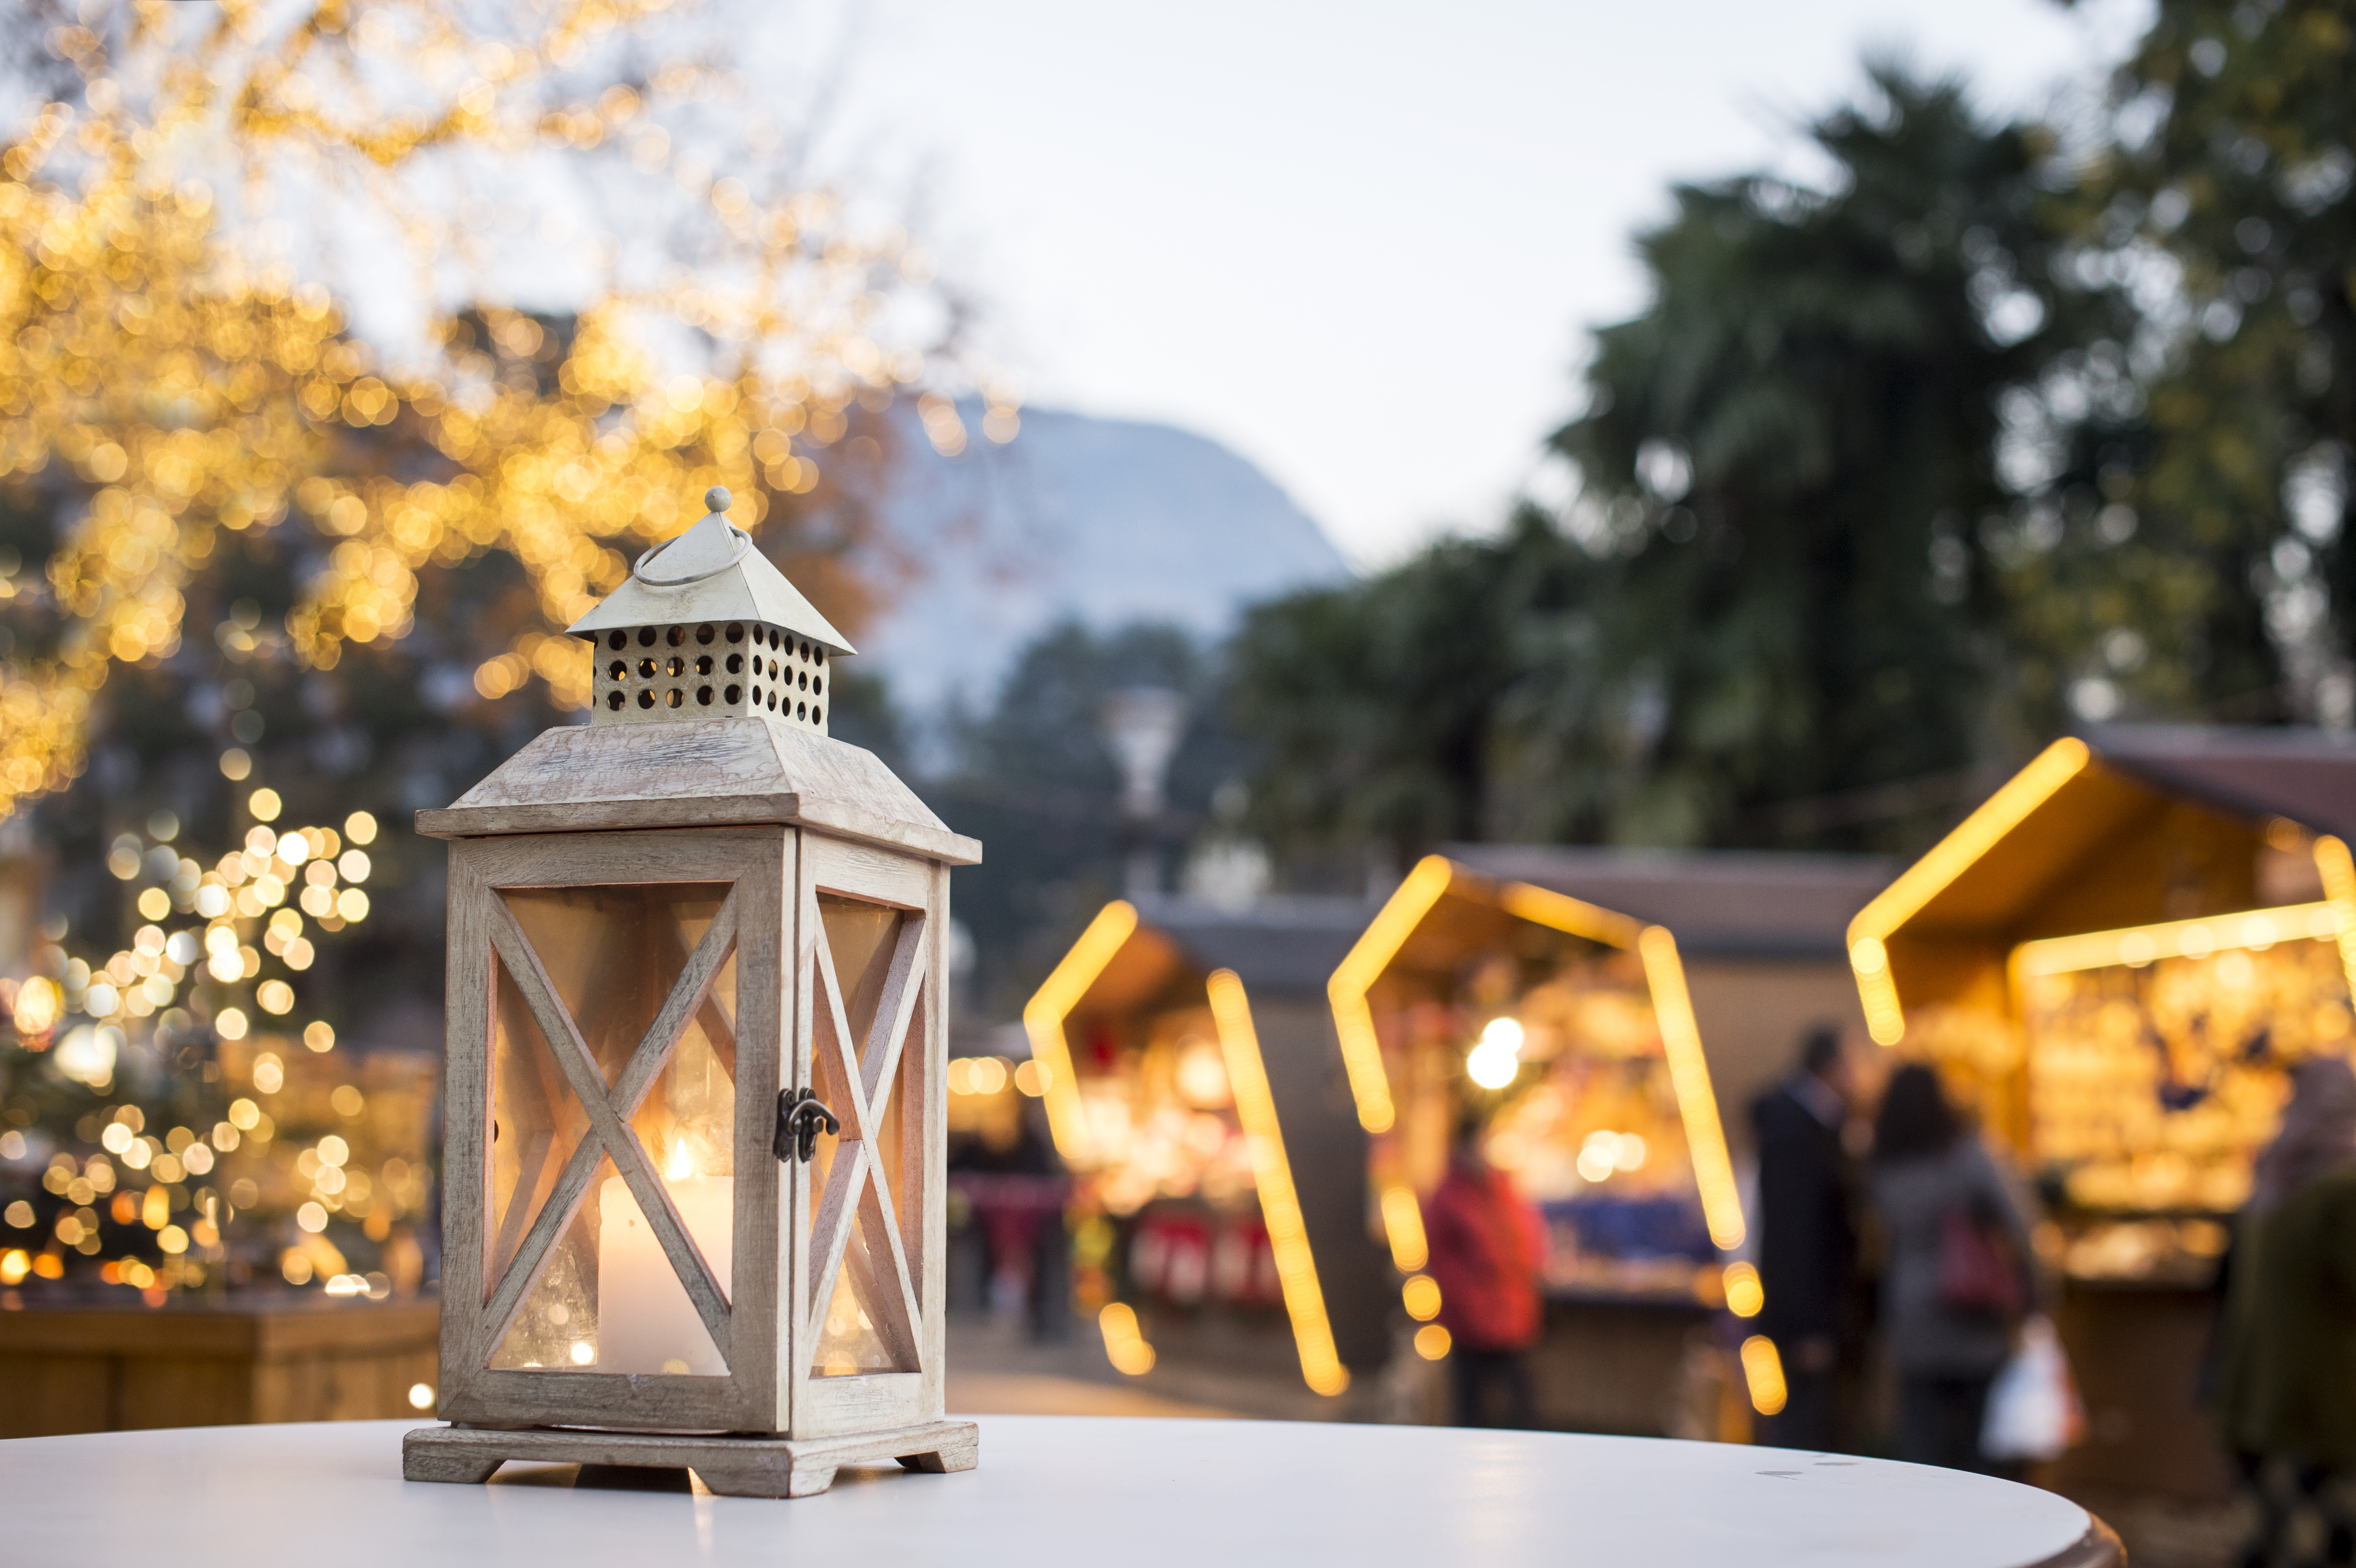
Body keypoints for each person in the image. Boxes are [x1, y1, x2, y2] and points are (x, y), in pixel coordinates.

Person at [2216, 1054, 2356, 1568]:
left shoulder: (2273, 1172)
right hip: (2320, 1391)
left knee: (2266, 1528)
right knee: (2322, 1534)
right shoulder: (2340, 1185)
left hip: (2255, 1383)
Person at [1869, 1062, 2032, 1473]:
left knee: (1921, 1441)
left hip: (1910, 1307)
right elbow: (2020, 1225)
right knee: (1979, 1443)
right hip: (1972, 1303)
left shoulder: (1883, 1166)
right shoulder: (1968, 1156)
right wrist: (2036, 1294)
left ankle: (1925, 1529)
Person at [1750, 1025, 1860, 1450]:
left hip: (1811, 1303)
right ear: (1833, 1068)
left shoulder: (1812, 1121)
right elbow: (1795, 1231)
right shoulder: (1798, 1130)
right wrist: (1808, 1324)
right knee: (1804, 1424)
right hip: (1807, 1308)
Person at [1424, 1114, 1545, 1428]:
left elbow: (1527, 1240)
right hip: (1472, 1319)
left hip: (1510, 1313)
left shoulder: (1502, 1190)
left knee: (1521, 1406)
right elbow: (1443, 1261)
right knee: (1471, 1406)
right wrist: (1471, 1303)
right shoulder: (1449, 1197)